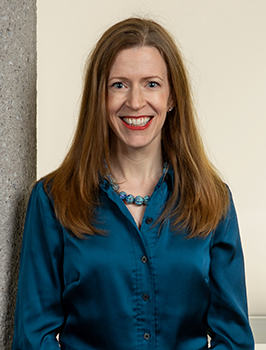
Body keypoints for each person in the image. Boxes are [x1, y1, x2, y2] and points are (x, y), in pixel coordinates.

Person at [12, 18, 254, 350]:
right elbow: (33, 336)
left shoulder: (212, 200)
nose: (136, 102)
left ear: (172, 97)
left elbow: (234, 339)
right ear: (99, 97)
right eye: (119, 85)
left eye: (151, 84)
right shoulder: (53, 200)